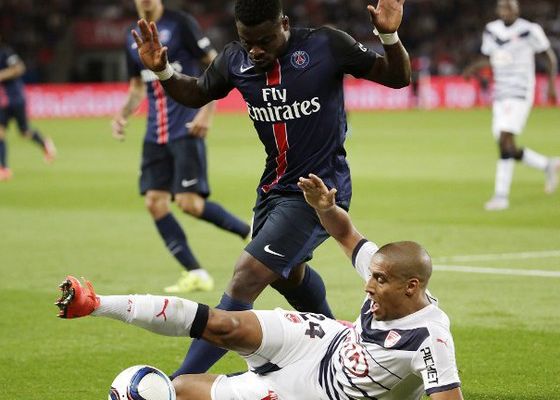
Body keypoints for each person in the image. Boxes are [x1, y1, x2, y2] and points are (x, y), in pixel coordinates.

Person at [130, 0, 411, 376]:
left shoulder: (326, 45)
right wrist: (163, 70)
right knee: (286, 274)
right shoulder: (235, 60)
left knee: (246, 276)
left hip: (319, 191)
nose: (256, 50)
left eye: (264, 40)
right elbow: (197, 93)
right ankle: (344, 346)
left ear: (285, 24)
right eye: (248, 42)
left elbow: (397, 77)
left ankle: (181, 382)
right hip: (273, 189)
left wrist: (389, 36)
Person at [56, 174, 463, 400]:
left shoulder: (431, 341)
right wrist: (326, 208)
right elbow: (346, 235)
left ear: (412, 287)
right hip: (322, 342)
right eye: (370, 275)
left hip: (314, 393)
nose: (368, 285)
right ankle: (96, 303)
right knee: (224, 325)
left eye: (379, 280)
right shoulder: (386, 271)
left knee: (178, 391)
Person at [111, 0, 251, 293]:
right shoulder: (131, 35)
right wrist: (123, 115)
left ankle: (249, 231)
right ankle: (196, 272)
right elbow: (137, 86)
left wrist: (206, 110)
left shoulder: (181, 23)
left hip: (186, 127)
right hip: (155, 135)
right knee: (155, 202)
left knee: (189, 203)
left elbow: (215, 64)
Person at [463, 0, 560, 211]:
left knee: (505, 138)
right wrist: (472, 68)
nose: (506, 11)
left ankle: (501, 196)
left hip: (521, 90)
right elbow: (494, 58)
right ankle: (548, 165)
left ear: (518, 9)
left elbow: (549, 57)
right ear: (498, 10)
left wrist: (552, 85)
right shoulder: (491, 30)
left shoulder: (530, 30)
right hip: (500, 92)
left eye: (510, 7)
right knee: (506, 145)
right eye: (503, 7)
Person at [0, 34, 56, 181]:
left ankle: (44, 143)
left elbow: (19, 68)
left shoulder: (6, 52)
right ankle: (4, 168)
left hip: (16, 99)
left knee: (24, 132)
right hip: (2, 102)